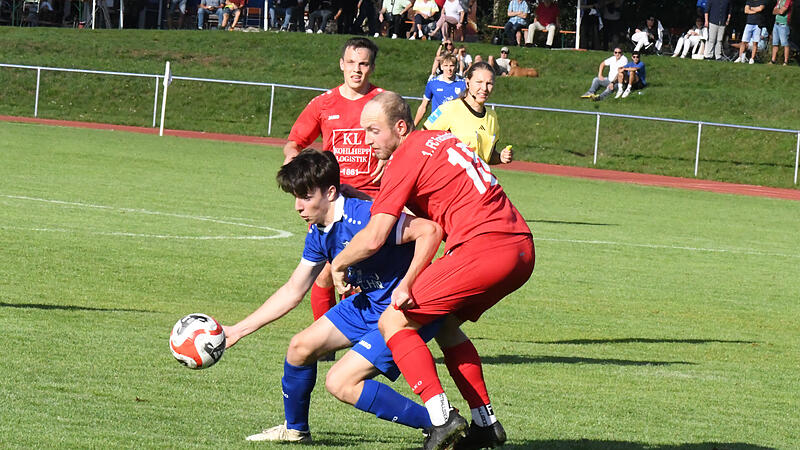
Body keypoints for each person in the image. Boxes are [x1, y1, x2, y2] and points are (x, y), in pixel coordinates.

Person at [331, 91, 534, 450]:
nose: (366, 140)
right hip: (520, 248)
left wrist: (340, 262)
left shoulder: (405, 158)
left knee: (394, 321)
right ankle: (485, 422)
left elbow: (376, 236)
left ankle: (442, 419)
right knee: (445, 325)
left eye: (373, 131)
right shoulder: (438, 139)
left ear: (400, 126)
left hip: (484, 247)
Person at [224, 149, 444, 442]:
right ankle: (295, 431)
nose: (298, 207)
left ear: (330, 192)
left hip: (402, 310)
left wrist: (408, 282)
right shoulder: (318, 232)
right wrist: (236, 331)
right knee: (300, 348)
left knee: (340, 382)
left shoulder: (366, 216)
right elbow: (293, 290)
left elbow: (429, 230)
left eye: (305, 197)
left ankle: (440, 424)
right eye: (295, 197)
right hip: (367, 303)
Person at [283, 38, 387, 334]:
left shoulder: (383, 102)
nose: (357, 69)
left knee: (368, 272)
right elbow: (294, 142)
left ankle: (369, 337)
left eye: (364, 63)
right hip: (332, 202)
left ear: (372, 67)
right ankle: (325, 341)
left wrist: (392, 158)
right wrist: (293, 161)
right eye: (351, 62)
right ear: (341, 64)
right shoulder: (323, 103)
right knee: (325, 275)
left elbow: (406, 141)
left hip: (373, 202)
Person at [422, 61, 511, 165]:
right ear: (467, 82)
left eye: (489, 83)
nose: (484, 88)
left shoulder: (492, 116)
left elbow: (487, 157)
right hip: (449, 180)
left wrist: (500, 157)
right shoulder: (448, 109)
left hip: (476, 180)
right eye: (479, 82)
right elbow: (422, 143)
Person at [414, 53, 466, 127]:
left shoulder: (463, 83)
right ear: (441, 67)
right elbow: (423, 107)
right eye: (446, 66)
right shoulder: (433, 83)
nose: (449, 69)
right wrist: (413, 126)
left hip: (456, 125)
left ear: (456, 67)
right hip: (437, 124)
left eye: (452, 65)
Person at [770, 0, 793, 65]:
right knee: (775, 43)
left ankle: (785, 61)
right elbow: (773, 12)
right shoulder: (779, 1)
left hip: (784, 24)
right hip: (776, 23)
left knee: (785, 43)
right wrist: (778, 10)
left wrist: (778, 10)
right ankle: (773, 60)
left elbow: (782, 11)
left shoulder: (788, 1)